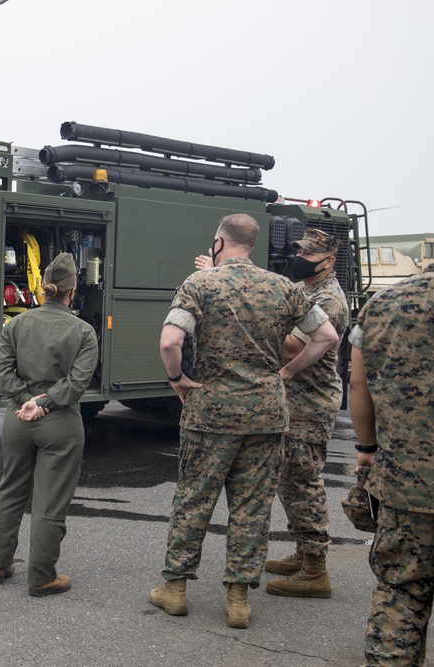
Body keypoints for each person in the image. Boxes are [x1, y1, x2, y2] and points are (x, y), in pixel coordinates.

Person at [151, 213, 339, 629]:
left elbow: (170, 340)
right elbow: (327, 338)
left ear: (219, 242)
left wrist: (177, 379)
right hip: (267, 413)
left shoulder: (199, 284)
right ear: (251, 244)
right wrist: (285, 374)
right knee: (252, 507)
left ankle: (176, 590)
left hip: (211, 412)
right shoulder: (285, 288)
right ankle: (238, 599)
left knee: (195, 499)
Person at [0, 252, 99, 597]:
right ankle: (41, 576)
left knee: (9, 491)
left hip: (18, 419)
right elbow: (77, 383)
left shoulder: (17, 324)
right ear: (72, 289)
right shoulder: (83, 331)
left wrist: (25, 401)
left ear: (45, 289)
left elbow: (1, 371)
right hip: (59, 422)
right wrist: (44, 403)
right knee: (49, 501)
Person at [349, 270, 433, 666]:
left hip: (405, 483)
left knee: (401, 592)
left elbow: (358, 385)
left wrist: (367, 448)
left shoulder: (382, 304)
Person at [263, 228, 349, 598]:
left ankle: (316, 570)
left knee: (303, 481)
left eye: (308, 254)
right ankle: (303, 553)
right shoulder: (307, 291)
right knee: (291, 480)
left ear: (328, 262)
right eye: (299, 250)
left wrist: (259, 321)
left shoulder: (328, 299)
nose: (300, 258)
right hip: (296, 399)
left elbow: (291, 347)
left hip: (309, 402)